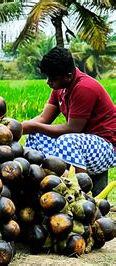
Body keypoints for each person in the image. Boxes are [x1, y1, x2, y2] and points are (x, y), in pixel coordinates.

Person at [22, 47, 115, 195]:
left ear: (68, 76)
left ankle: (80, 194)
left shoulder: (84, 88)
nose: (48, 82)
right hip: (81, 145)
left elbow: (73, 129)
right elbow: (43, 119)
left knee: (67, 140)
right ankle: (43, 184)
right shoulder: (61, 88)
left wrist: (34, 126)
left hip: (106, 147)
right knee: (36, 136)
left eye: (52, 79)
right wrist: (17, 128)